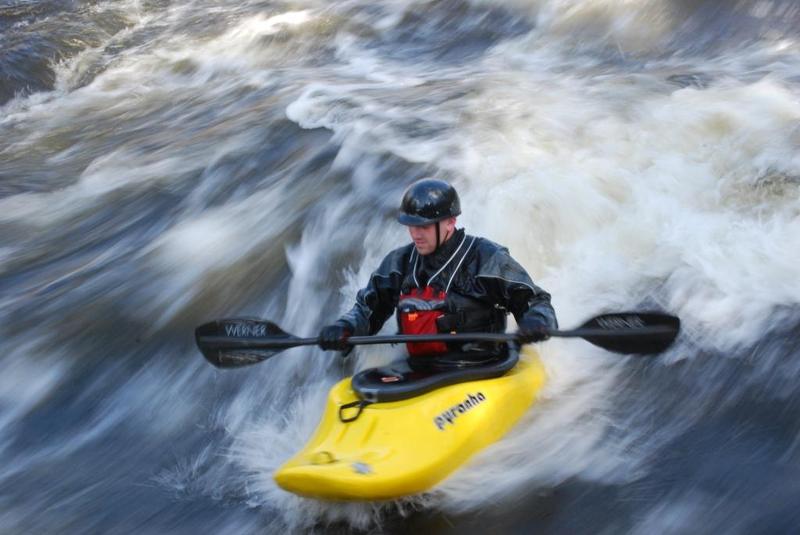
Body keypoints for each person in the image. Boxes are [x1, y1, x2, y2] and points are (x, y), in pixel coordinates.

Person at [318, 178, 557, 363]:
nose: (415, 234)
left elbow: (535, 300)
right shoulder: (399, 263)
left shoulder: (486, 258)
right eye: (411, 226)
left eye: (423, 226)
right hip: (423, 369)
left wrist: (537, 320)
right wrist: (345, 327)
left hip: (482, 365)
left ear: (450, 222)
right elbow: (367, 309)